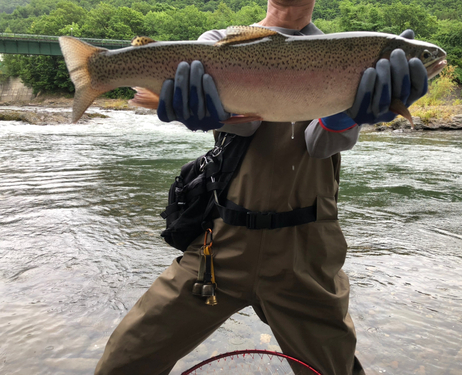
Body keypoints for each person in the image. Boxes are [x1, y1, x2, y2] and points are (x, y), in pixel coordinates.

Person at [95, 1, 428, 374]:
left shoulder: (346, 52)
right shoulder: (218, 43)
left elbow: (319, 145)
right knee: (125, 359)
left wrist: (348, 113)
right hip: (220, 245)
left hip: (307, 253)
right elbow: (244, 128)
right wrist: (213, 114)